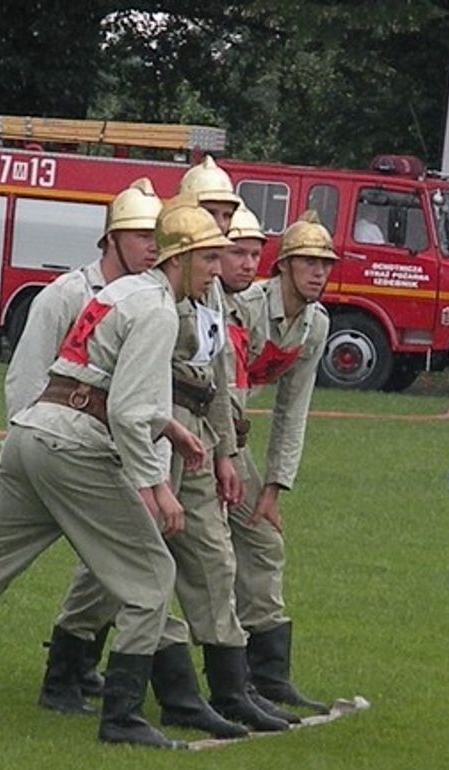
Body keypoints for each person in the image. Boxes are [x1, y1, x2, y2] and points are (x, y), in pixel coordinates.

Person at [0, 199, 232, 750]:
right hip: (72, 448)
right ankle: (122, 717)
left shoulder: (124, 293)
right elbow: (124, 409)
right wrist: (156, 488)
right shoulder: (158, 310)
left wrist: (168, 428)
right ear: (181, 258)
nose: (217, 270)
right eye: (210, 258)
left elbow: (97, 378)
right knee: (151, 577)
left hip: (31, 436)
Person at [41, 158, 298, 734]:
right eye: (212, 213)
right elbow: (134, 381)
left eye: (228, 214)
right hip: (150, 430)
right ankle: (73, 664)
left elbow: (222, 370)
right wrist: (154, 469)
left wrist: (228, 449)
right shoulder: (155, 284)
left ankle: (229, 689)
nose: (222, 225)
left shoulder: (207, 283)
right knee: (133, 561)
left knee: (212, 556)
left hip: (197, 435)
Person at [0, 177, 170, 715]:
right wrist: (23, 452)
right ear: (109, 240)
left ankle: (70, 675)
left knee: (110, 573)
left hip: (100, 462)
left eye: (156, 236)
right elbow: (26, 381)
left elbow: (146, 398)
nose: (151, 246)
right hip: (49, 451)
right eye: (139, 235)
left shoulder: (149, 301)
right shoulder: (66, 295)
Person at [221, 209, 334, 714]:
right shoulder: (244, 307)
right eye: (308, 262)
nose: (318, 273)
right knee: (159, 547)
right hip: (203, 432)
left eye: (325, 264)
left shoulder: (315, 325)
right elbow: (221, 382)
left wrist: (273, 488)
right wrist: (226, 452)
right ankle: (79, 653)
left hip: (232, 440)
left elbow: (293, 410)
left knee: (263, 541)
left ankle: (268, 675)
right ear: (283, 266)